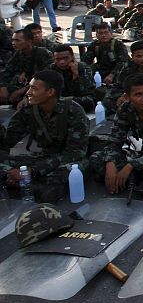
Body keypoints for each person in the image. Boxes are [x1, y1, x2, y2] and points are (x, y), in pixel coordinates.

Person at [0, 70, 88, 203]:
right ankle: (25, 182)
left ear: (50, 92)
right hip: (43, 159)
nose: (28, 92)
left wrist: (32, 170)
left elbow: (75, 153)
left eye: (34, 88)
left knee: (68, 172)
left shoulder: (74, 111)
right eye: (29, 87)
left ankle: (30, 184)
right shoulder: (29, 110)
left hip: (68, 161)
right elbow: (7, 141)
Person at [103, 40, 143, 112]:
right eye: (138, 56)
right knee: (107, 100)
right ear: (132, 56)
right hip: (130, 96)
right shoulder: (127, 67)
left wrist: (142, 96)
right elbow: (118, 86)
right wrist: (124, 96)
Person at [0, 29, 53, 106]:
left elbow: (46, 79)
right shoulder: (18, 53)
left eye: (17, 40)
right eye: (13, 40)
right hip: (23, 86)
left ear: (29, 41)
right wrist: (3, 87)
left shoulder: (43, 54)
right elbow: (6, 72)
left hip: (39, 89)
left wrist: (21, 91)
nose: (13, 43)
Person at [47, 44, 96, 112]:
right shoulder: (51, 69)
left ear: (72, 57)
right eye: (58, 59)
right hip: (59, 99)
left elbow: (87, 93)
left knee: (88, 102)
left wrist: (75, 76)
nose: (62, 62)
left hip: (77, 99)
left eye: (65, 58)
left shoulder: (82, 67)